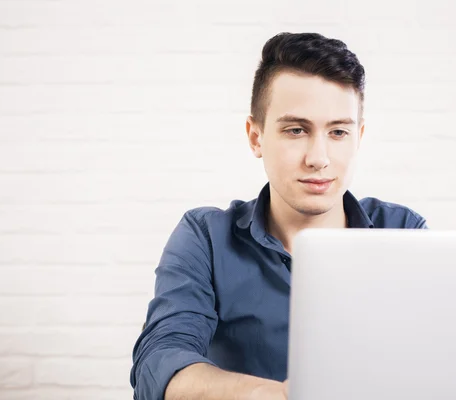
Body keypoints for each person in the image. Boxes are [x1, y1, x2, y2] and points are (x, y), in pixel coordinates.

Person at [130, 32, 428, 400]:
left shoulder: (403, 233)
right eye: (296, 130)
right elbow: (158, 365)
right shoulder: (205, 238)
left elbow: (436, 360)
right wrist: (271, 394)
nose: (318, 157)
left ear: (359, 137)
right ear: (256, 137)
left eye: (338, 132)